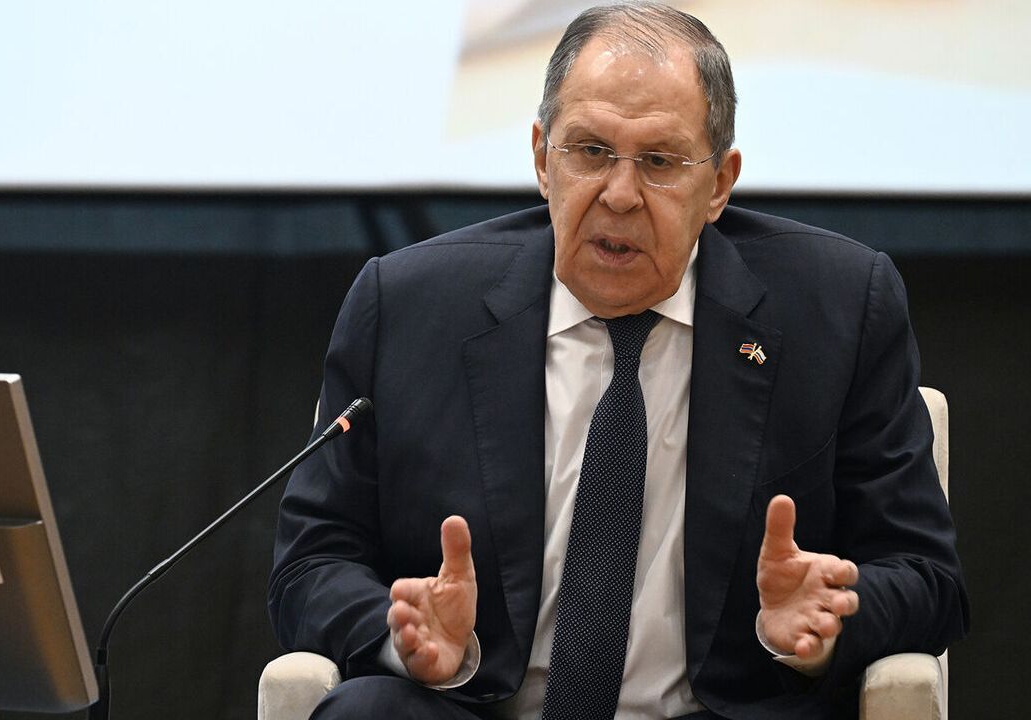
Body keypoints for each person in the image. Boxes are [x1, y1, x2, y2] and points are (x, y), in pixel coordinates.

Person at [267, 3, 968, 718]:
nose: (620, 194)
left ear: (719, 184)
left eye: (660, 162)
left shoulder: (836, 309)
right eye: (590, 151)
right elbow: (311, 564)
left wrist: (825, 623)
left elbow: (927, 575)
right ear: (542, 158)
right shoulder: (407, 307)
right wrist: (402, 635)